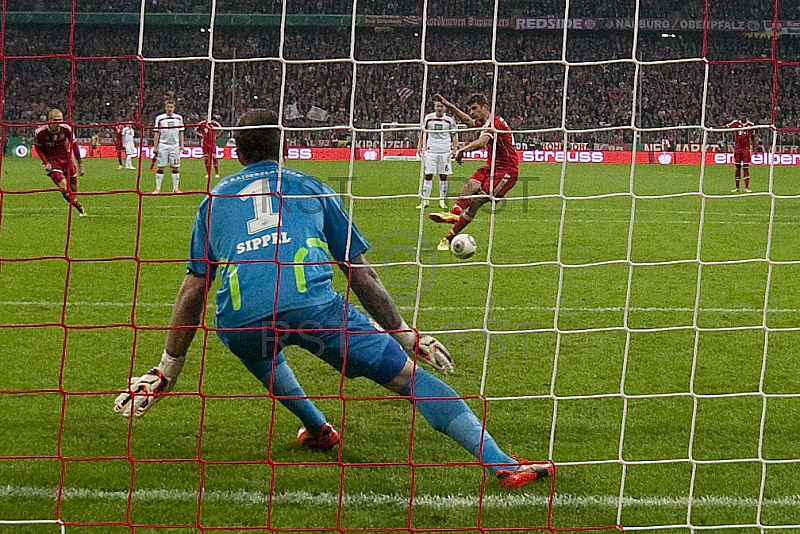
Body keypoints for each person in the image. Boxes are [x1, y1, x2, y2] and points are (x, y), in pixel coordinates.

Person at [113, 108, 552, 490]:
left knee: (263, 352)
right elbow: (360, 272)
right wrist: (402, 332)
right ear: (282, 147)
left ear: (235, 151)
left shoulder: (213, 200)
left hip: (239, 318)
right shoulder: (312, 186)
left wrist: (167, 368)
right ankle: (501, 465)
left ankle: (318, 429)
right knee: (414, 382)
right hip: (315, 309)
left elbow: (194, 287)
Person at [428, 93, 519, 251]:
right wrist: (450, 106)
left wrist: (462, 150)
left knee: (476, 201)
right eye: (470, 109)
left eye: (475, 108)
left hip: (506, 171)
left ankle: (449, 237)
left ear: (485, 107)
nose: (472, 112)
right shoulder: (485, 123)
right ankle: (454, 213)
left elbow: (481, 142)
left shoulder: (494, 123)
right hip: (491, 167)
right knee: (471, 185)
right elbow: (468, 122)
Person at [34, 108, 87, 217]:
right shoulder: (40, 133)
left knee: (74, 188)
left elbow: (75, 146)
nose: (59, 122)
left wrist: (80, 164)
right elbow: (38, 148)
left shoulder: (66, 129)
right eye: (56, 120)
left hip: (66, 160)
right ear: (49, 120)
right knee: (63, 187)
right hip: (53, 162)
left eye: (60, 120)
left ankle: (73, 199)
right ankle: (78, 205)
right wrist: (45, 162)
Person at [417, 100, 458, 210]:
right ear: (434, 107)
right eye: (437, 106)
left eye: (441, 106)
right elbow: (423, 132)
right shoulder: (428, 118)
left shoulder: (449, 120)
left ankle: (442, 200)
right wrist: (420, 146)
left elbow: (454, 135)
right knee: (429, 174)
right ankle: (425, 200)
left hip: (445, 151)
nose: (439, 108)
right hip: (431, 151)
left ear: (445, 108)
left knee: (443, 176)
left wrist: (455, 148)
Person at [152, 100, 184, 194]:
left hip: (174, 146)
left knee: (175, 167)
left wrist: (181, 145)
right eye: (168, 107)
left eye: (171, 107)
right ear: (165, 107)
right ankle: (158, 189)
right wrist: (155, 147)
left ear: (174, 108)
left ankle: (175, 188)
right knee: (161, 167)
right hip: (163, 145)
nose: (169, 109)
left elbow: (181, 132)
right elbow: (156, 133)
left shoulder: (178, 118)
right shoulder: (160, 118)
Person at [726, 119, 754, 193]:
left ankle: (746, 187)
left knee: (746, 168)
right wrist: (714, 128)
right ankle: (737, 187)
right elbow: (725, 127)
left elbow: (753, 136)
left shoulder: (750, 125)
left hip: (746, 149)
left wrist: (754, 148)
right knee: (737, 168)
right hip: (737, 149)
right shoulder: (735, 123)